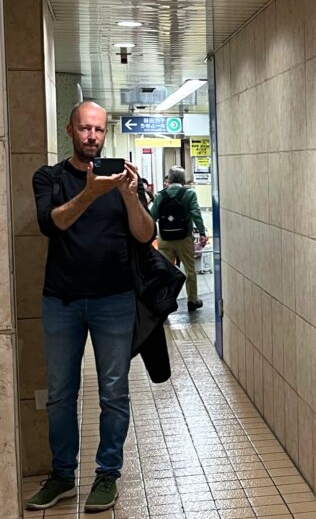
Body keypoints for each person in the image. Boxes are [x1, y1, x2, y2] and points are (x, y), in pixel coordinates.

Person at [28, 101, 155, 512]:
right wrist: (90, 192)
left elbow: (143, 234)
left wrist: (130, 196)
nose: (92, 137)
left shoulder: (122, 180)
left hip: (114, 302)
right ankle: (63, 476)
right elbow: (54, 223)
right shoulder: (49, 177)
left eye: (99, 130)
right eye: (85, 129)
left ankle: (107, 475)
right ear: (70, 130)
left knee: (114, 393)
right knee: (62, 394)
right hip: (61, 302)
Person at [150, 166, 208, 311]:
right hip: (184, 239)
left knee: (165, 271)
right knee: (190, 270)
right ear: (183, 180)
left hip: (164, 239)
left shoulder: (160, 195)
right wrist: (201, 232)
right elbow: (196, 213)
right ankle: (192, 300)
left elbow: (151, 217)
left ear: (168, 179)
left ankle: (166, 302)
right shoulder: (189, 194)